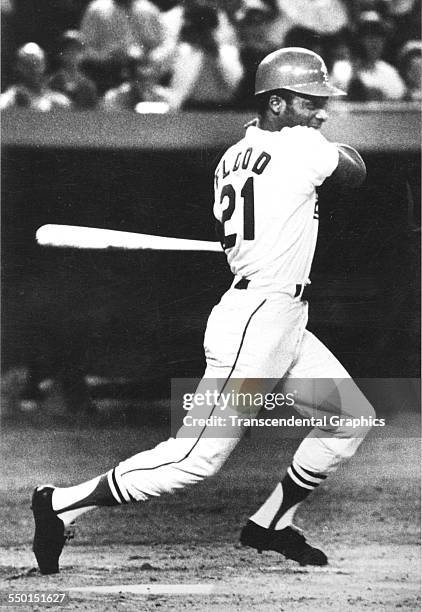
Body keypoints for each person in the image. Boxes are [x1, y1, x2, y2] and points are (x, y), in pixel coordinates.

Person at [32, 47, 375, 575]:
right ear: (277, 103)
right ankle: (60, 504)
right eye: (311, 102)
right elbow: (355, 171)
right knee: (195, 458)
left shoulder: (232, 155)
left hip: (280, 317)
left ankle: (269, 524)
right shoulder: (299, 145)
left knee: (349, 419)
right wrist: (312, 140)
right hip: (257, 322)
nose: (322, 113)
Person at [0, 43, 71, 111]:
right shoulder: (6, 100)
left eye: (37, 63)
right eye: (27, 64)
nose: (32, 68)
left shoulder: (58, 102)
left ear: (44, 65)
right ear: (18, 67)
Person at [49, 30, 98, 110]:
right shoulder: (53, 82)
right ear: (61, 54)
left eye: (77, 50)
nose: (73, 54)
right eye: (69, 50)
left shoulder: (88, 85)